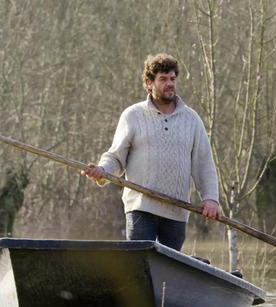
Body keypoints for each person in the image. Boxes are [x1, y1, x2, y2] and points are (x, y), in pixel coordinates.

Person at [82, 53, 222, 251]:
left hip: (177, 210)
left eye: (172, 79)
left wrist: (210, 199)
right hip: (141, 207)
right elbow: (116, 157)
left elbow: (204, 163)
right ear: (149, 83)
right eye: (163, 79)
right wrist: (102, 170)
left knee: (170, 268)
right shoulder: (133, 115)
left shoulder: (191, 120)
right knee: (139, 260)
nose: (170, 84)